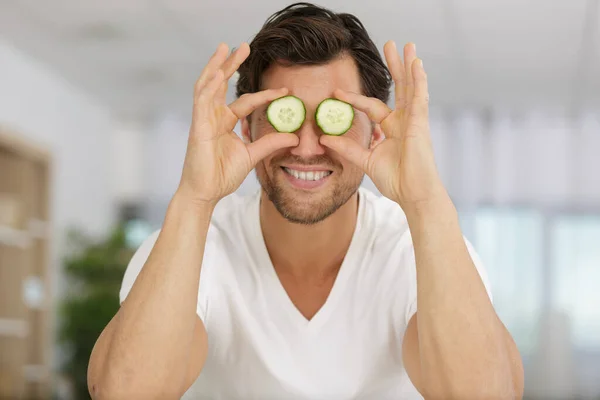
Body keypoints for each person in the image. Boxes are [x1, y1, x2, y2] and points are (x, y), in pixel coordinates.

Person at [88, 3, 524, 399]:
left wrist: (427, 201)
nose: (307, 146)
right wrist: (195, 199)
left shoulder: (418, 250)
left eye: (335, 119)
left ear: (375, 131)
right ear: (248, 129)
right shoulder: (191, 245)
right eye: (287, 115)